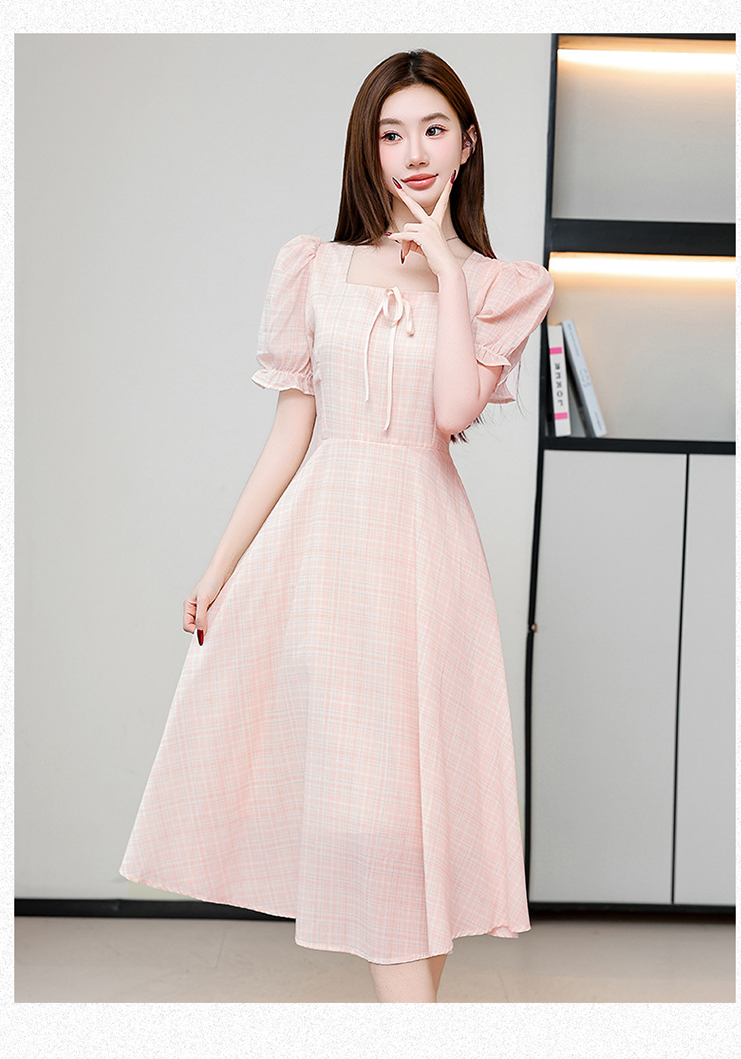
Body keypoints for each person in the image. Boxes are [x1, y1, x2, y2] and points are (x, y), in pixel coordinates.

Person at [119, 48, 554, 1004]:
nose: (413, 153)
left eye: (433, 130)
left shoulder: (500, 286)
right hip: (330, 550)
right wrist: (219, 569)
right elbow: (292, 432)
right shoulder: (315, 268)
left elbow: (451, 411)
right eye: (392, 134)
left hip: (427, 556)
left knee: (412, 818)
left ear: (468, 143)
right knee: (368, 808)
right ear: (369, 149)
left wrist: (446, 266)